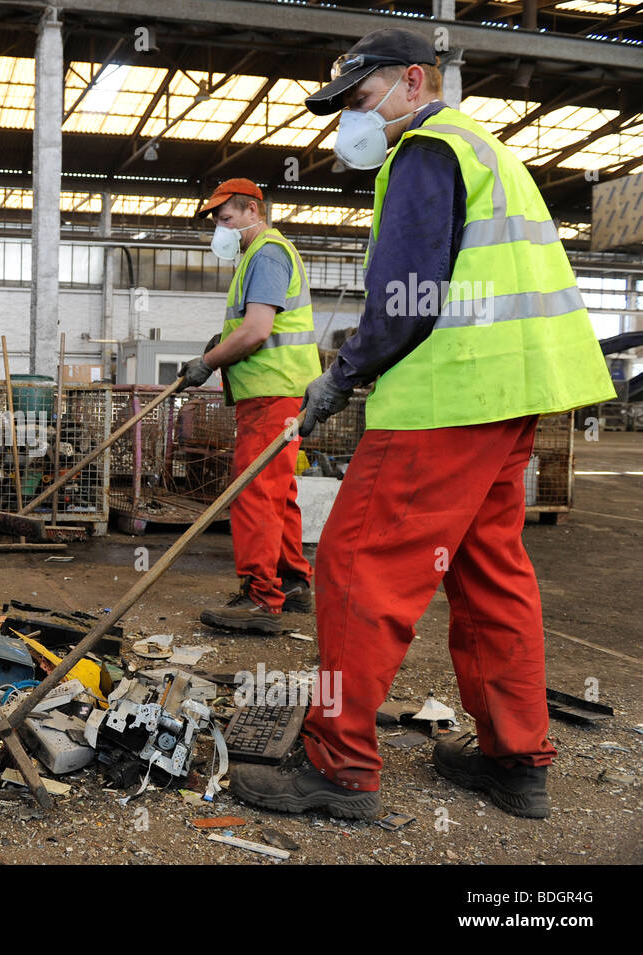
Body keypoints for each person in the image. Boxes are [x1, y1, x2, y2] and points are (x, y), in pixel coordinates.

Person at [231, 28, 616, 821]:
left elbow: (407, 295)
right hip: (513, 397)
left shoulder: (427, 151)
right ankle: (517, 760)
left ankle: (337, 765)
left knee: (356, 566)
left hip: (448, 398)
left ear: (413, 81)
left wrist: (342, 373)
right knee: (490, 572)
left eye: (360, 101)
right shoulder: (489, 152)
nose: (351, 123)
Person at [179, 179, 322, 636]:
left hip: (272, 393)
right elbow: (256, 327)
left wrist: (208, 361)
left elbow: (258, 331)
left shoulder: (267, 254)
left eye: (225, 219)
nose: (219, 230)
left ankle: (262, 597)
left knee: (256, 491)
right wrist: (223, 342)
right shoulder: (259, 256)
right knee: (278, 492)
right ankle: (294, 581)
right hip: (276, 393)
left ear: (252, 211)